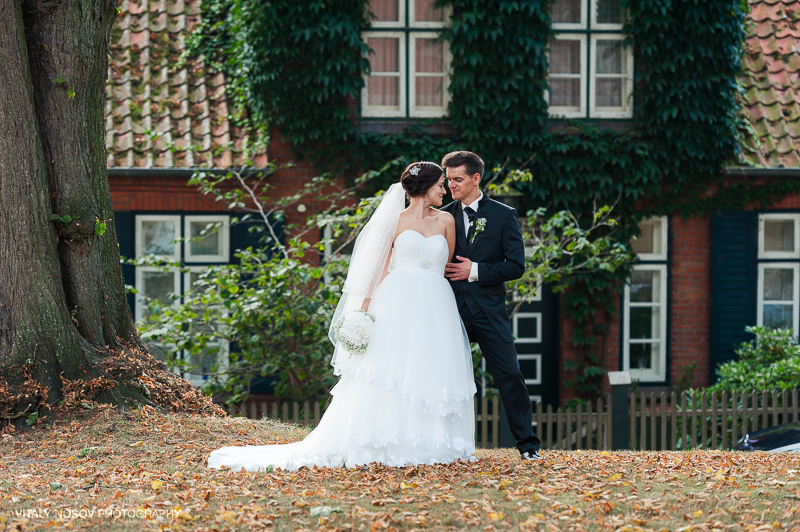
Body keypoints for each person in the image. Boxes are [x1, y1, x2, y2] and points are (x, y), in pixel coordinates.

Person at [207, 162, 476, 471]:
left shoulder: (446, 221)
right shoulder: (396, 221)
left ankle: (433, 441)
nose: (445, 190)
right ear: (425, 186)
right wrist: (362, 311)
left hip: (435, 302)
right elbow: (377, 270)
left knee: (430, 365)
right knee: (389, 369)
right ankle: (385, 438)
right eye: (440, 184)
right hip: (397, 299)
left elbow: (446, 265)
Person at [441, 150, 543, 461]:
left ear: (476, 178)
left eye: (458, 179)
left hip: (489, 311)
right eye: (448, 180)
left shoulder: (503, 215)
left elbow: (515, 266)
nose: (451, 185)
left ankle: (528, 446)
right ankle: (440, 444)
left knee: (510, 374)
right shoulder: (443, 216)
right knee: (440, 375)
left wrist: (475, 270)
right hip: (449, 310)